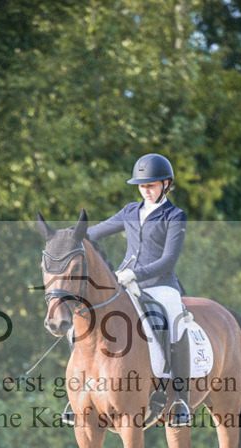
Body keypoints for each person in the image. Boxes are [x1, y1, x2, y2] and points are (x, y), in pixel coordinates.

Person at [62, 153, 192, 428]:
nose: (146, 190)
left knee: (175, 322)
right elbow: (93, 233)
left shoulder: (175, 216)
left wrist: (136, 273)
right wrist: (69, 237)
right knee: (79, 326)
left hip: (160, 285)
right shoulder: (129, 211)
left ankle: (180, 398)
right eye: (142, 185)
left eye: (152, 185)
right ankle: (78, 394)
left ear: (166, 184)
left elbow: (168, 260)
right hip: (124, 283)